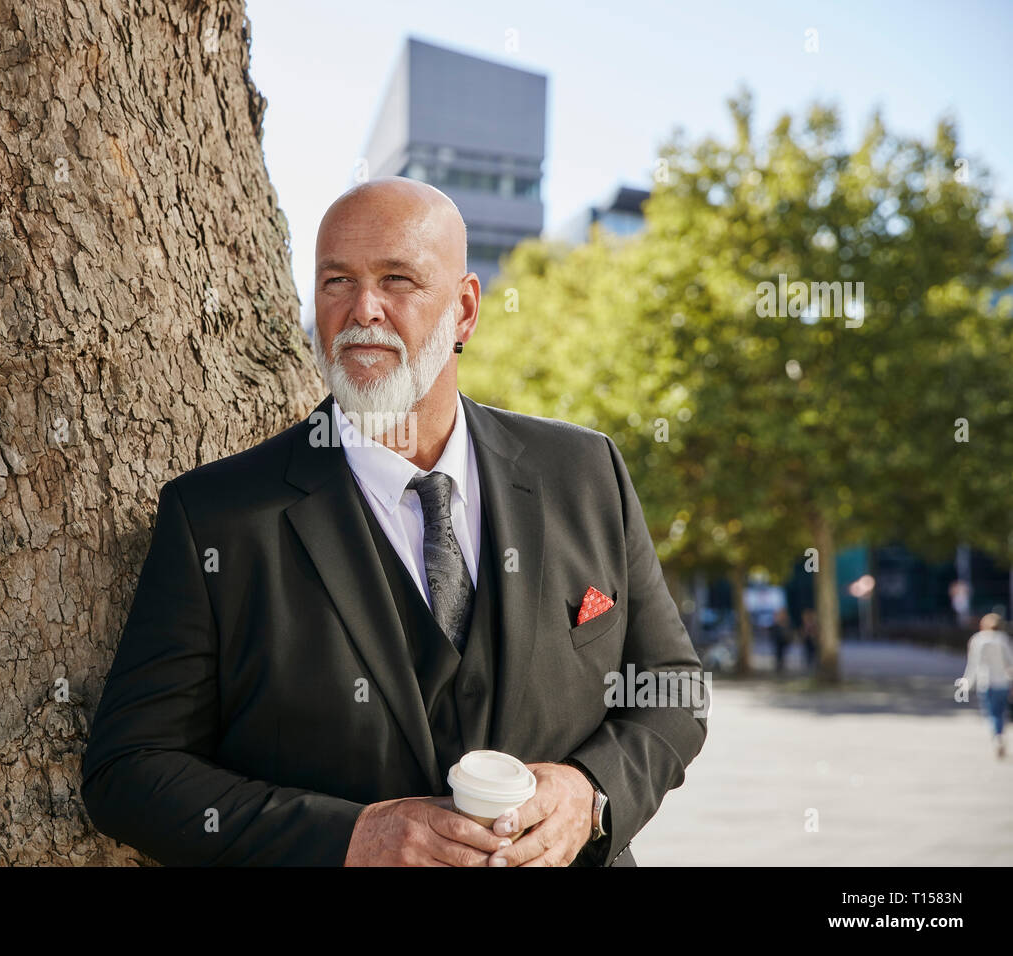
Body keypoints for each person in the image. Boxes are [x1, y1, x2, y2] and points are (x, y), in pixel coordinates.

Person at [81, 177, 708, 866]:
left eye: (398, 279)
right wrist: (349, 840)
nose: (362, 311)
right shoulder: (216, 520)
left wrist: (590, 793)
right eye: (336, 281)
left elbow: (673, 686)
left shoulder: (586, 472)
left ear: (465, 310)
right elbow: (130, 771)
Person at [961, 613, 1013, 758]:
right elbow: (1011, 662)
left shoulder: (977, 640)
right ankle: (1000, 734)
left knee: (991, 713)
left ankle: (997, 736)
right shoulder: (1003, 640)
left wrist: (966, 683)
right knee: (1001, 713)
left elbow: (973, 664)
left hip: (986, 682)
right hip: (1002, 682)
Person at [770, 607, 794, 674]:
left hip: (784, 641)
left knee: (782, 654)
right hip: (778, 641)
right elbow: (773, 631)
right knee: (778, 654)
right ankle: (779, 666)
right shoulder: (777, 622)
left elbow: (790, 631)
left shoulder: (787, 622)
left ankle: (781, 665)